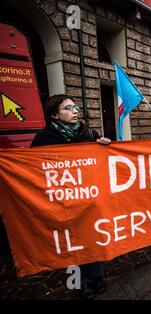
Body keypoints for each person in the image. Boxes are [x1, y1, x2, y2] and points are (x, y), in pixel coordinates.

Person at [31, 94, 111, 299]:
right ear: (55, 115)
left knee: (92, 239)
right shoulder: (43, 139)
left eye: (75, 107)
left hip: (88, 200)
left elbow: (101, 162)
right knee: (71, 245)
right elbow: (33, 169)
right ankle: (78, 283)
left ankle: (97, 277)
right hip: (62, 202)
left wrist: (105, 147)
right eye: (68, 108)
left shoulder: (88, 133)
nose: (75, 111)